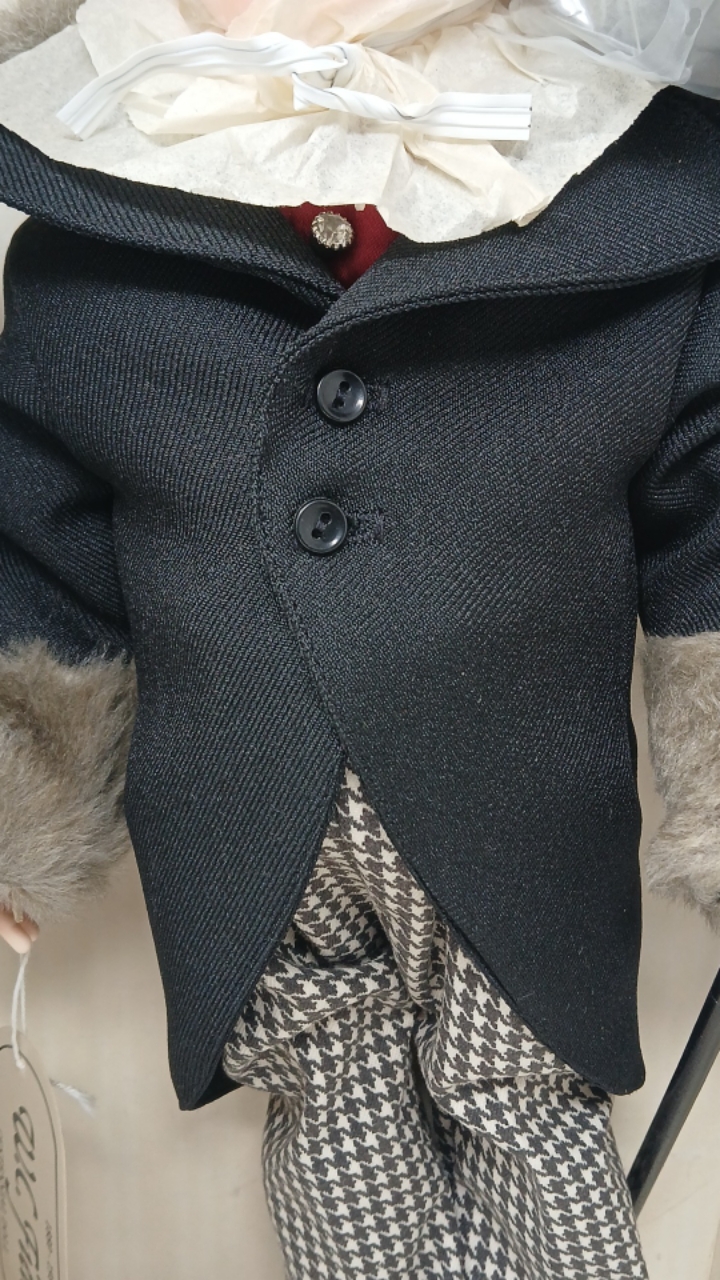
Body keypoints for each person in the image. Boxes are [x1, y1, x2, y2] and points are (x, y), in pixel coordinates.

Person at [0, 1, 719, 1275]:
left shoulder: (628, 222)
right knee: (331, 1089)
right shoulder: (93, 253)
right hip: (239, 811)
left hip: (519, 807)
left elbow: (706, 521)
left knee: (523, 1088)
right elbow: (35, 547)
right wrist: (19, 806)